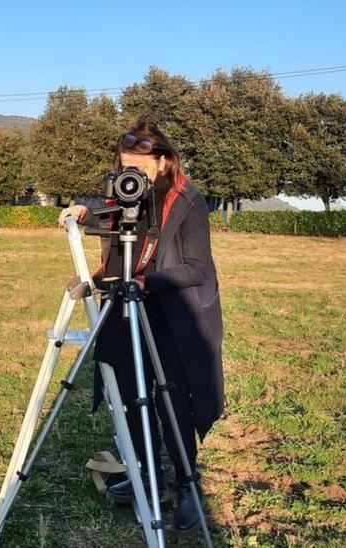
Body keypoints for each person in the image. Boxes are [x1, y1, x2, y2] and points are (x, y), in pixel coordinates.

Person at [58, 114, 224, 533]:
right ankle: (149, 478)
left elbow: (196, 269)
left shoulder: (187, 199)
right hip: (126, 303)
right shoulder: (121, 193)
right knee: (131, 395)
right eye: (125, 161)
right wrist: (82, 212)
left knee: (171, 399)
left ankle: (188, 487)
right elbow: (105, 218)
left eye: (142, 164)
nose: (131, 171)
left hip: (174, 309)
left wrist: (144, 281)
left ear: (165, 162)